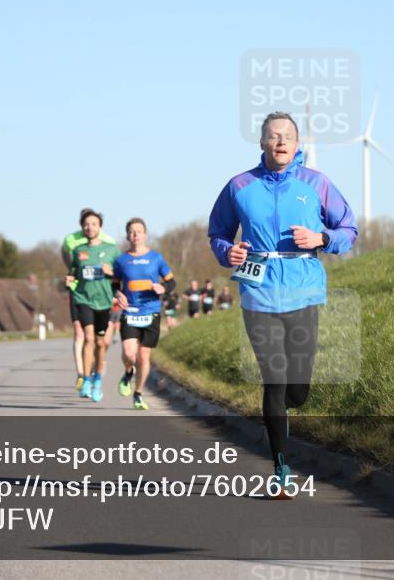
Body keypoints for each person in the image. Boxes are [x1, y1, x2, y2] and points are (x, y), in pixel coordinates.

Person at [209, 111, 357, 493]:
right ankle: (281, 468)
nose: (280, 142)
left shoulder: (317, 183)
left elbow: (348, 229)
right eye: (273, 136)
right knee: (274, 380)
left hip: (303, 289)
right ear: (262, 143)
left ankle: (290, 411)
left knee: (298, 390)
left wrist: (321, 239)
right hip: (258, 292)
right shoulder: (239, 186)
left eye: (287, 136)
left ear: (297, 144)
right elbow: (218, 233)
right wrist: (229, 252)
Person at [113, 218, 177, 411]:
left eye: (139, 231)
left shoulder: (156, 258)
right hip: (130, 311)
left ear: (145, 235)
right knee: (129, 353)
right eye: (132, 231)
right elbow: (114, 284)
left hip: (151, 311)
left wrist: (162, 287)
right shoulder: (121, 260)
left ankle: (138, 393)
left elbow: (172, 283)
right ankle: (128, 371)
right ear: (127, 236)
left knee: (143, 355)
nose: (135, 235)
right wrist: (118, 293)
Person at [61, 208, 118, 392]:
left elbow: (121, 276)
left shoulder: (112, 249)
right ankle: (86, 378)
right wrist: (69, 280)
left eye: (93, 224)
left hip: (104, 301)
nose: (90, 227)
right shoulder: (78, 251)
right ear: (82, 228)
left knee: (101, 343)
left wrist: (112, 273)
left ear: (100, 226)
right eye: (86, 224)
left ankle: (98, 378)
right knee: (88, 338)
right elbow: (73, 274)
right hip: (83, 299)